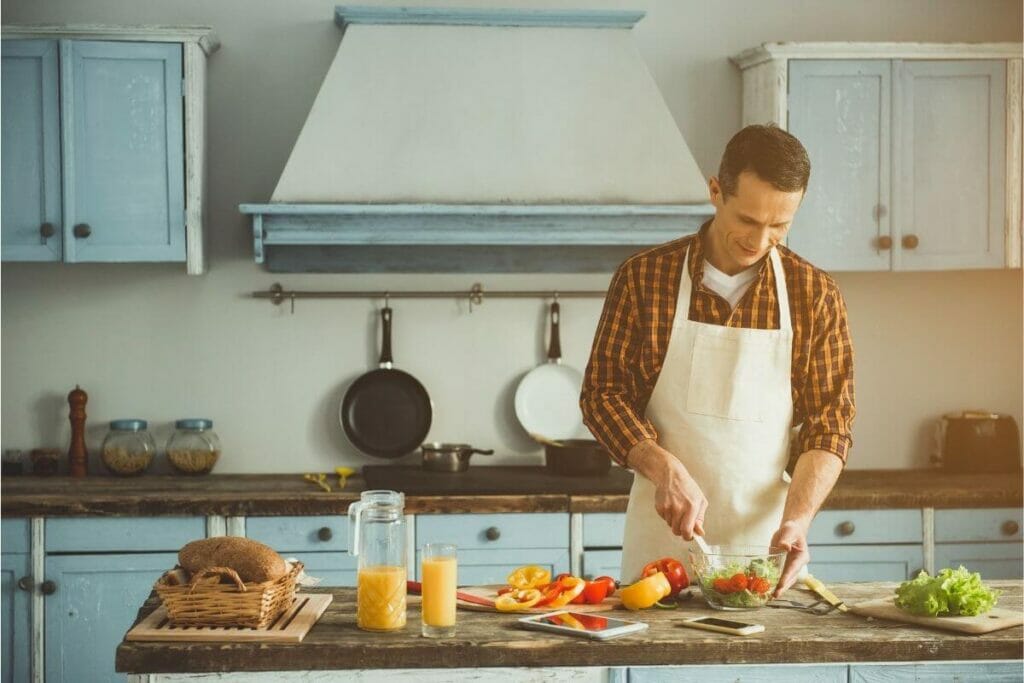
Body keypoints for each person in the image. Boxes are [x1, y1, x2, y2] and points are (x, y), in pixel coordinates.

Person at [580, 124, 855, 597]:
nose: (761, 239)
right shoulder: (645, 279)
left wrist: (798, 521)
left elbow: (830, 423)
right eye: (748, 219)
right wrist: (663, 468)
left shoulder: (815, 294)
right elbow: (602, 395)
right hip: (659, 555)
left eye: (780, 225)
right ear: (715, 191)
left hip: (762, 556)